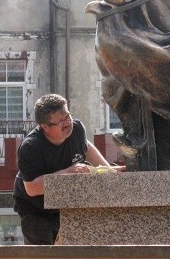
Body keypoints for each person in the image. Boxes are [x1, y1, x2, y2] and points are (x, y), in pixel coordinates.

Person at [13, 93, 124, 245]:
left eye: (67, 116)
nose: (67, 123)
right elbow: (32, 188)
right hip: (35, 210)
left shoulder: (76, 129)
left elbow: (85, 147)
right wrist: (68, 173)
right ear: (45, 127)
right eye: (60, 122)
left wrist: (109, 170)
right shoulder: (30, 147)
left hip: (66, 204)